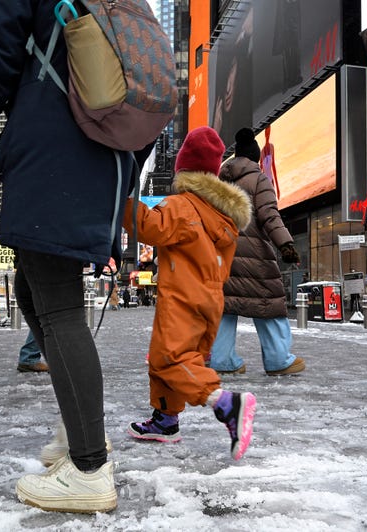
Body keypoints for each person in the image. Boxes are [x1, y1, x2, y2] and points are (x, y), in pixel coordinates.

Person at [0, 0, 138, 514]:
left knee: (56, 306)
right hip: (99, 156)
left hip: (55, 154)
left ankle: (88, 468)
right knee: (34, 295)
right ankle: (82, 442)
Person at [123, 126, 256, 460]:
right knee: (168, 357)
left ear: (183, 170)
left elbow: (153, 228)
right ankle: (165, 420)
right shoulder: (223, 216)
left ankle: (225, 403)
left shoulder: (182, 205)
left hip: (182, 296)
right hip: (209, 300)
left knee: (170, 359)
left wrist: (123, 206)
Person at [209, 128, 305, 377]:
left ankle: (222, 360)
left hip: (223, 256)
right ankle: (278, 359)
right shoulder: (259, 180)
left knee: (224, 307)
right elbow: (269, 216)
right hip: (256, 256)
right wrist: (286, 244)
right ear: (254, 158)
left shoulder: (219, 182)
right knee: (268, 304)